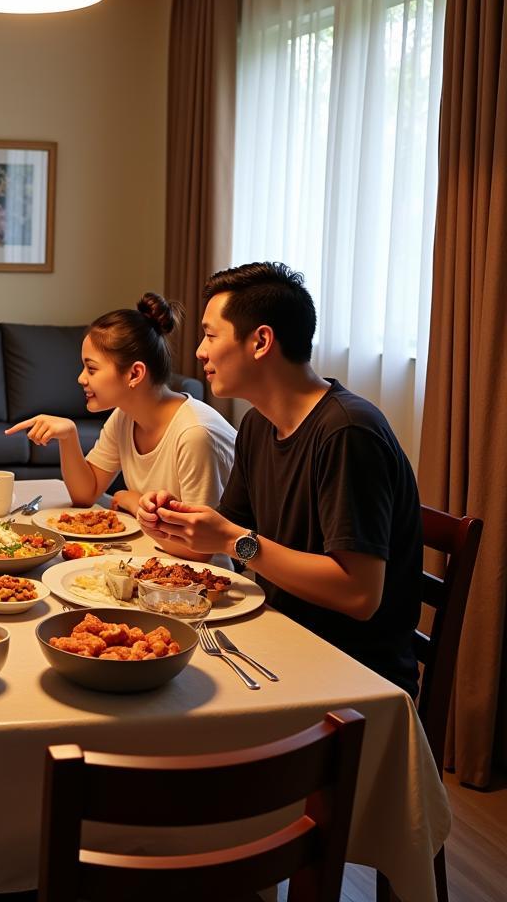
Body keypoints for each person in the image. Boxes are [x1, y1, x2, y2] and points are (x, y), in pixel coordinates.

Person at [138, 262, 422, 695]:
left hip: (348, 672)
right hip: (277, 636)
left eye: (211, 336)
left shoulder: (348, 431)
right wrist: (167, 522)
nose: (199, 351)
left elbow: (359, 595)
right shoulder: (257, 425)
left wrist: (235, 540)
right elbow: (220, 536)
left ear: (261, 341)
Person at [5, 292, 236, 564]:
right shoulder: (124, 416)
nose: (81, 378)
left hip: (206, 578)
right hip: (156, 556)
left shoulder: (195, 434)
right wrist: (69, 437)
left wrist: (134, 502)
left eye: (91, 369)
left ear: (135, 374)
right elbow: (85, 494)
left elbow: (199, 549)